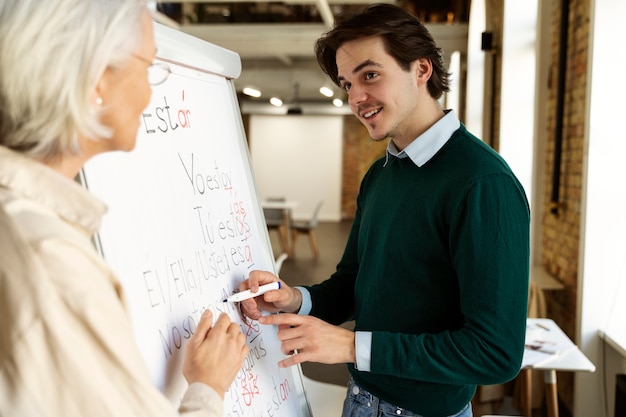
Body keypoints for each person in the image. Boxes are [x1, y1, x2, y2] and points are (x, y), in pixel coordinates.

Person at [240, 4, 530, 417]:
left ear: (421, 70)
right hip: (360, 400)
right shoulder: (380, 174)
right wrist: (292, 299)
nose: (356, 97)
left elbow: (495, 353)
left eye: (370, 75)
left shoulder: (483, 183)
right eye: (346, 83)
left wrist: (349, 345)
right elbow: (353, 283)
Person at [0, 1, 249, 416]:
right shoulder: (51, 263)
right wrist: (208, 387)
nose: (151, 92)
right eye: (149, 67)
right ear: (96, 78)